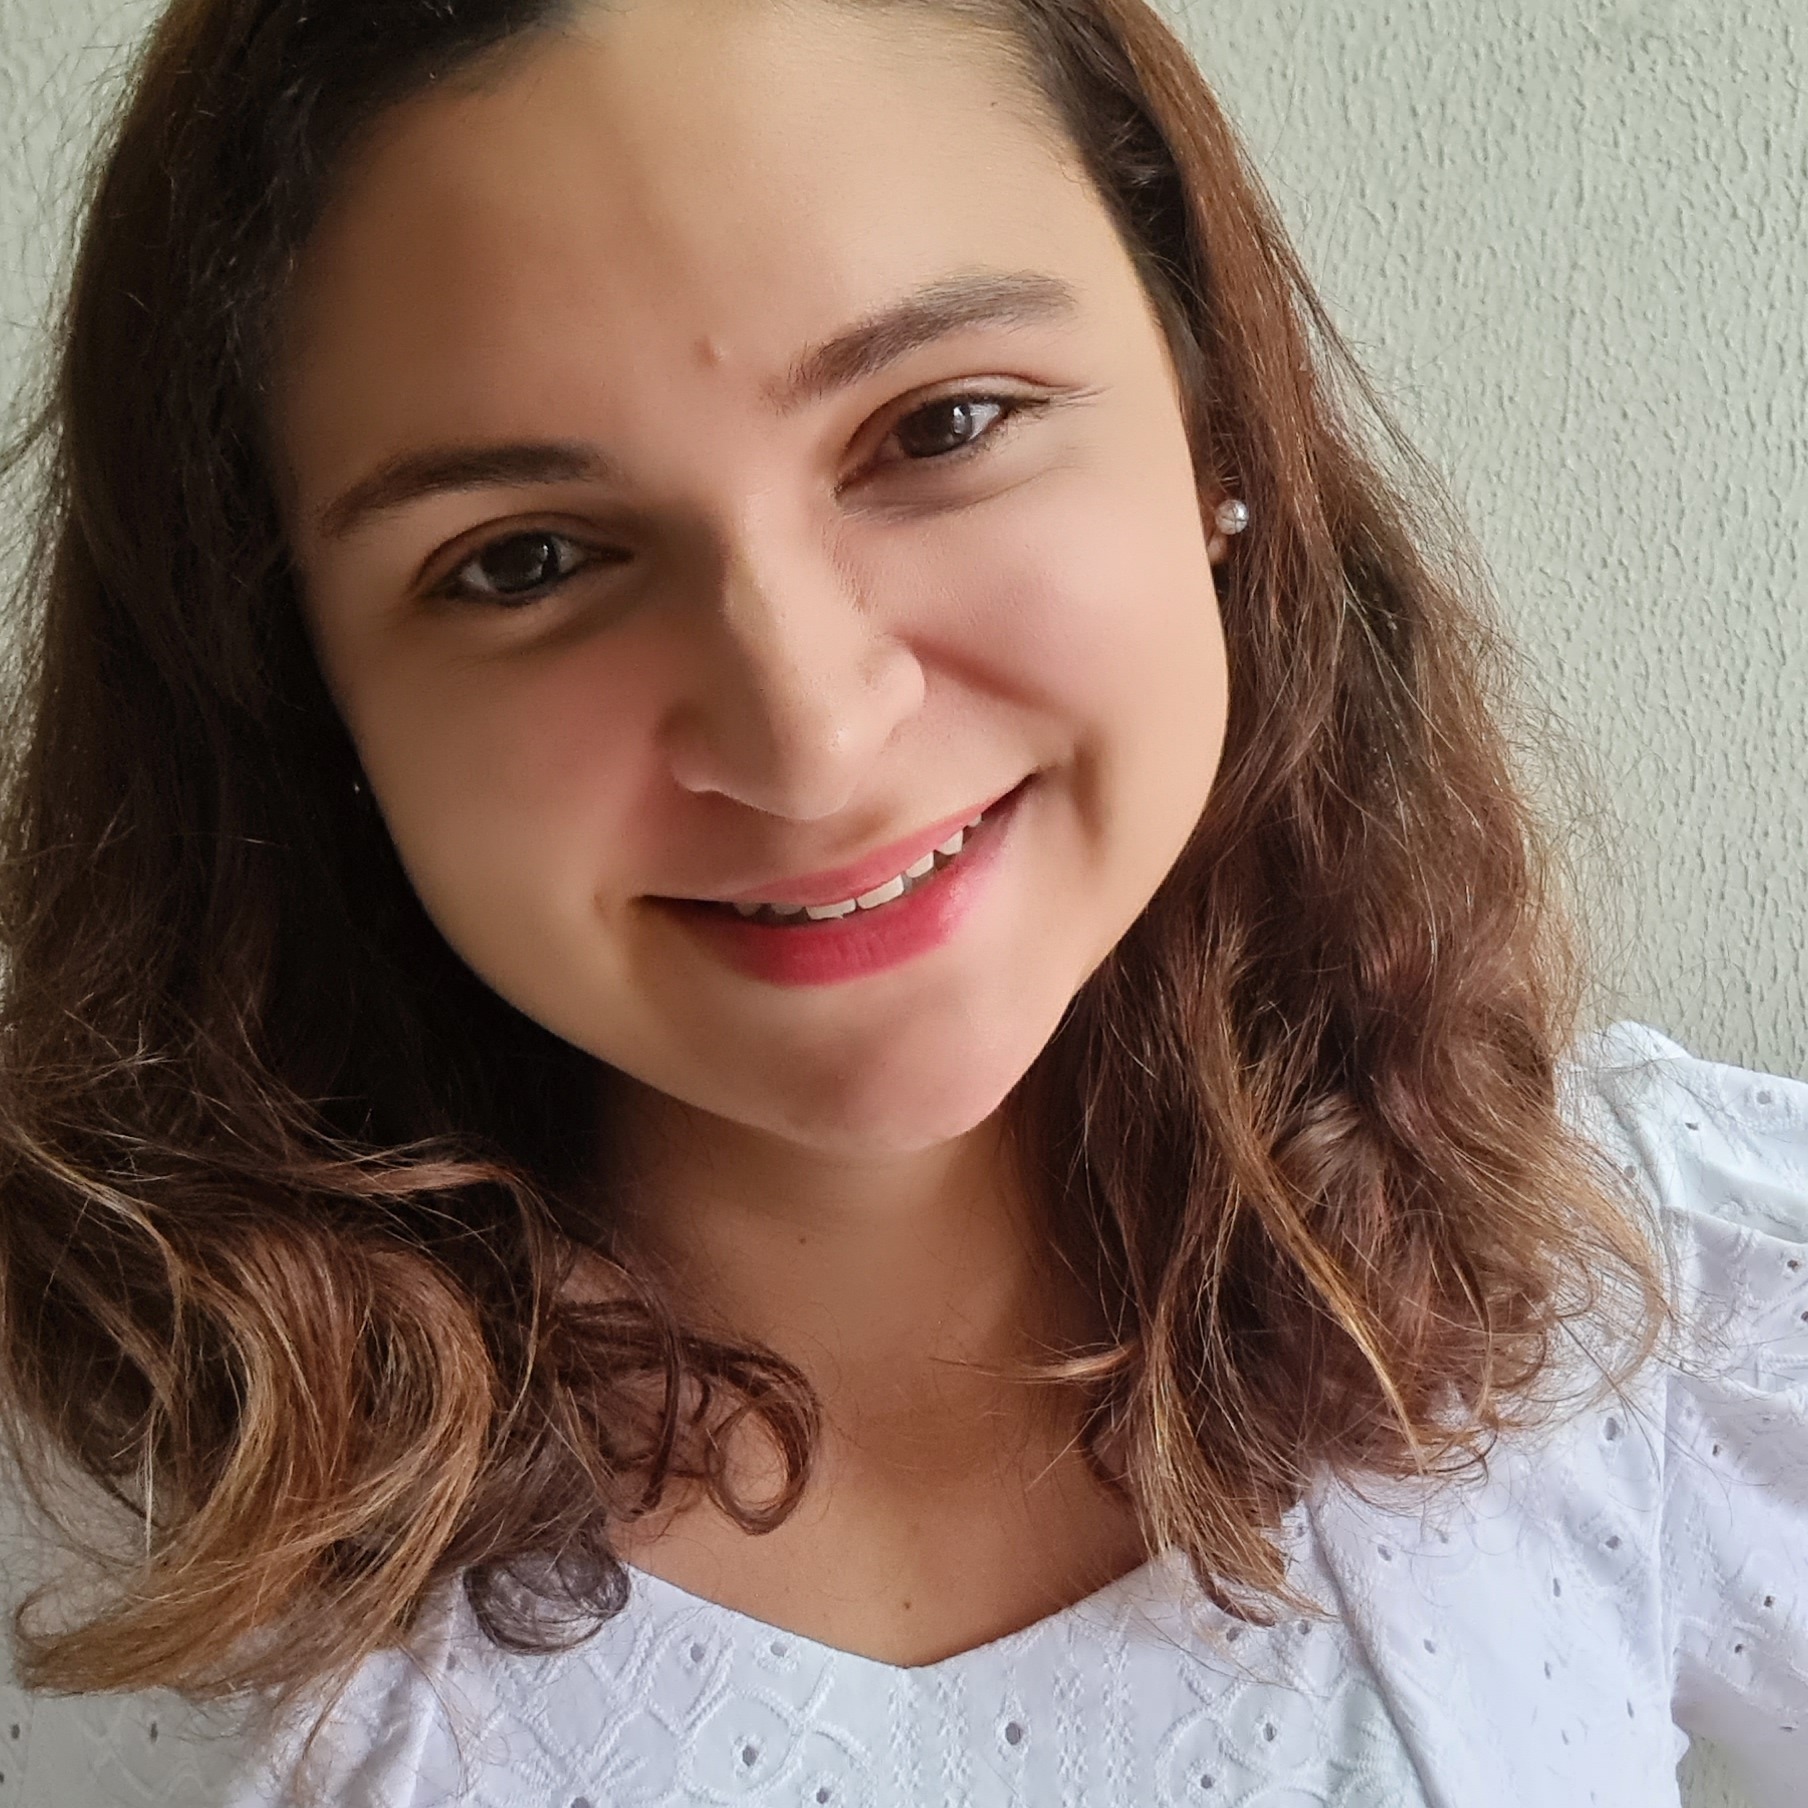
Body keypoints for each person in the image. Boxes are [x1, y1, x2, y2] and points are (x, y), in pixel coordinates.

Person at [0, 0, 1802, 1803]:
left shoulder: (1655, 1294)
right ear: (302, 689)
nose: (809, 740)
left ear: (1214, 433)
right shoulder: (85, 1504)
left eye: (941, 424)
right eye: (525, 561)